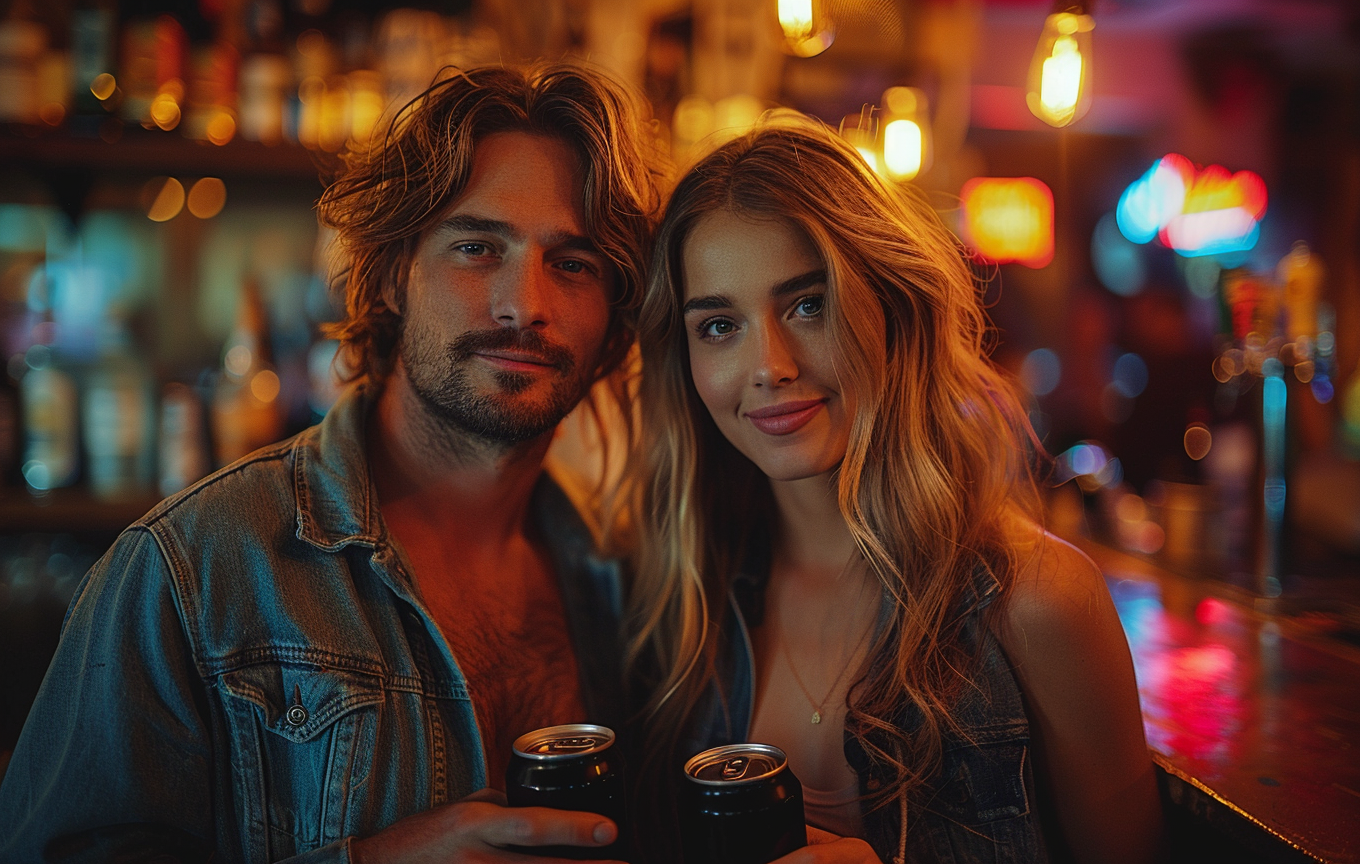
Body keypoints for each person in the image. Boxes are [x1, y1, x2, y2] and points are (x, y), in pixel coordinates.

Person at [0, 63, 661, 863]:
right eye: (478, 247)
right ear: (389, 275)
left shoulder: (626, 591)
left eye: (574, 263)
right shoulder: (193, 567)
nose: (525, 303)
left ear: (615, 314)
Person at [622, 116, 1164, 864]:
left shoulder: (1040, 603)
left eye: (809, 305)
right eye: (718, 325)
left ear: (894, 307)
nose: (768, 365)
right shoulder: (685, 598)